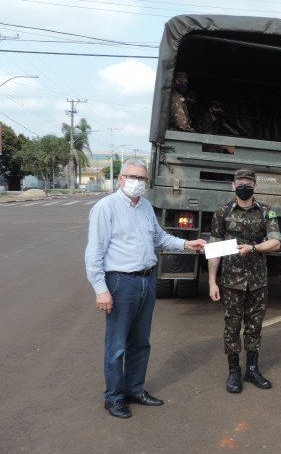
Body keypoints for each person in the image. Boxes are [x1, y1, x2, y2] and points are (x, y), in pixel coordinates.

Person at [85, 158, 206, 419]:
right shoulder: (105, 208)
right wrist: (100, 288)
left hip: (146, 280)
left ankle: (135, 389)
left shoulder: (146, 207)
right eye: (133, 177)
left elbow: (160, 238)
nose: (138, 182)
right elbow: (94, 252)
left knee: (140, 342)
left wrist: (188, 244)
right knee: (116, 345)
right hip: (120, 282)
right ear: (120, 178)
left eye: (142, 178)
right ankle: (114, 397)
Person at [208, 169, 281, 394]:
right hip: (232, 281)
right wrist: (212, 281)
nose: (244, 187)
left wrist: (254, 248)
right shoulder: (222, 212)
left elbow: (276, 242)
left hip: (258, 281)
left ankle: (252, 368)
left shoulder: (266, 212)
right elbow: (214, 249)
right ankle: (233, 372)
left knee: (254, 327)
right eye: (240, 183)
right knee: (232, 327)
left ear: (255, 186)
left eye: (248, 183)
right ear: (233, 186)